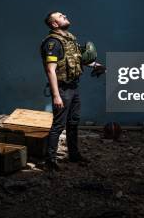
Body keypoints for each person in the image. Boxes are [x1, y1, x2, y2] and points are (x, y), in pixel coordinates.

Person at [40, 11, 106, 173]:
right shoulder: (53, 43)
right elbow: (50, 70)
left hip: (74, 87)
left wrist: (96, 65)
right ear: (54, 24)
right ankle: (50, 161)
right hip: (62, 89)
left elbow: (78, 60)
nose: (65, 16)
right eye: (60, 16)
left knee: (73, 122)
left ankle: (74, 155)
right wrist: (56, 95)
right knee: (58, 125)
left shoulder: (69, 38)